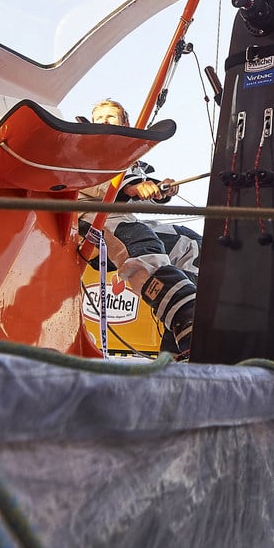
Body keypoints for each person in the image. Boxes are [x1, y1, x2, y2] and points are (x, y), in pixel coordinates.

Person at [80, 99, 199, 356]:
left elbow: (136, 177)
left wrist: (161, 188)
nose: (104, 120)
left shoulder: (125, 159)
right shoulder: (83, 147)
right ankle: (188, 320)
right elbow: (98, 177)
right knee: (141, 243)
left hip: (119, 215)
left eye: (110, 116)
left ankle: (179, 342)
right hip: (86, 219)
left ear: (125, 123)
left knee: (189, 243)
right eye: (98, 116)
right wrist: (133, 187)